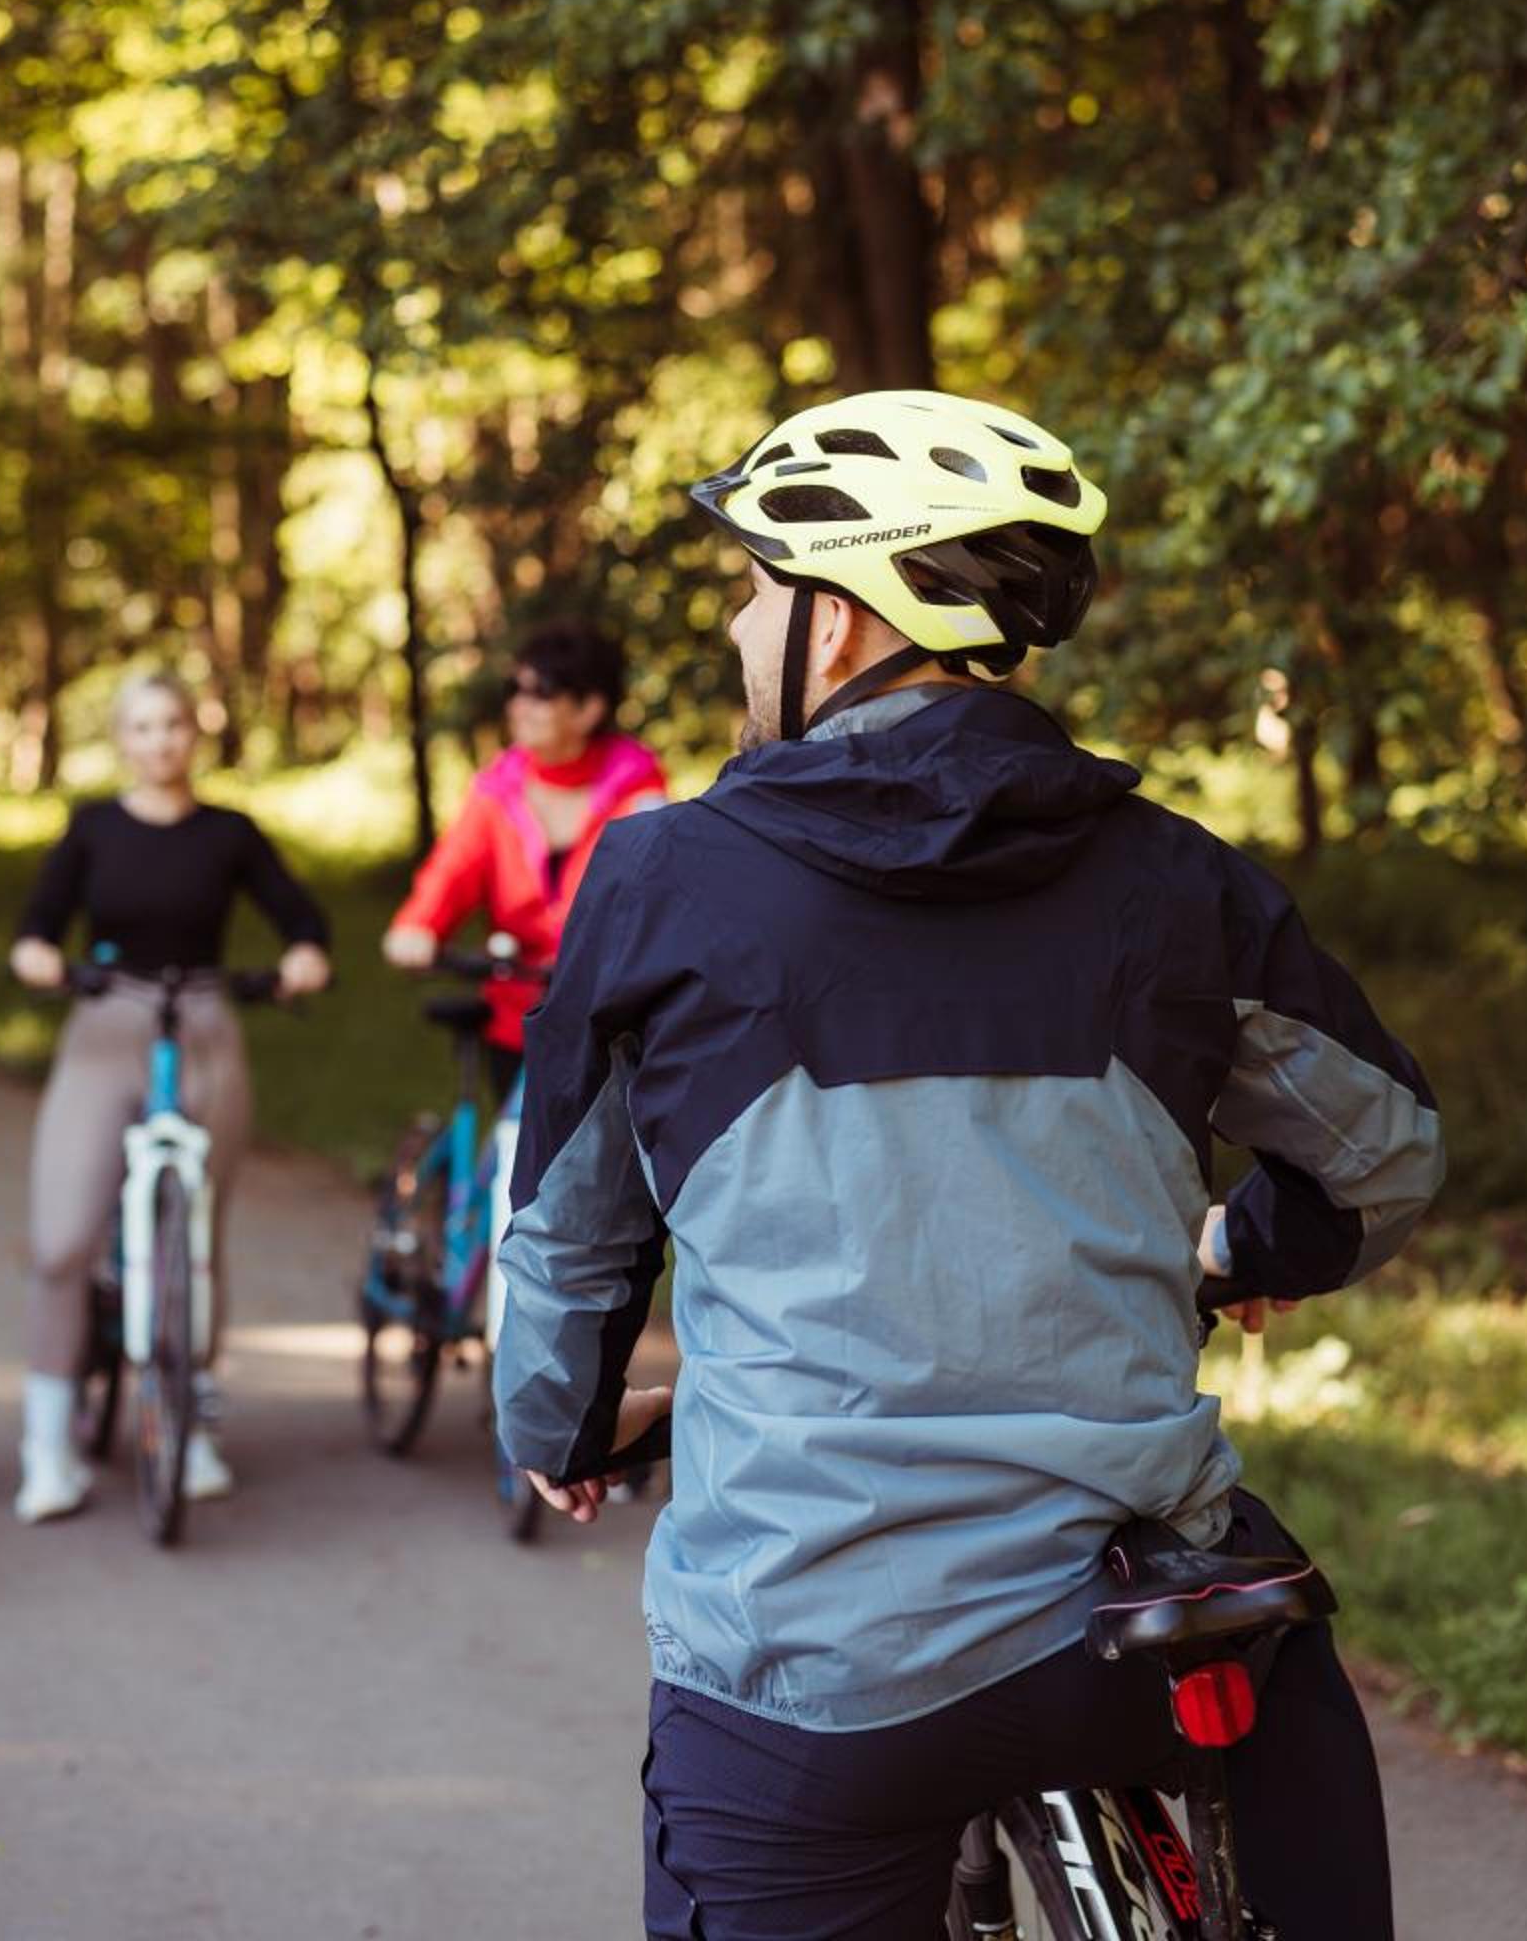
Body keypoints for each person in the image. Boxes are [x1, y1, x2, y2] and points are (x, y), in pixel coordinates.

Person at [492, 390, 1446, 1938]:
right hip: (1133, 1627)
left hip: (818, 1665)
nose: (739, 628)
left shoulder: (666, 881)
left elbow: (568, 1243)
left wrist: (566, 1425)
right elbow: (1382, 1156)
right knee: (1282, 1702)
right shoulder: (1173, 879)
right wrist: (1234, 1249)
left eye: (754, 590)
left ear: (840, 622)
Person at [5, 671, 334, 1523]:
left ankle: (190, 1426)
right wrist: (42, 961)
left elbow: (302, 921)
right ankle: (47, 1448)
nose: (160, 741)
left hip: (204, 1027)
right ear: (122, 739)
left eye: (174, 725)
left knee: (196, 1237)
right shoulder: (93, 827)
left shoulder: (229, 833)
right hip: (106, 1026)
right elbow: (35, 931)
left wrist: (303, 958)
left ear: (197, 733)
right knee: (62, 1242)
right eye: (144, 727)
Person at [377, 622, 666, 1084]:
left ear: (589, 709)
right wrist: (418, 925)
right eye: (515, 690)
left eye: (541, 693)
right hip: (517, 1018)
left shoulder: (639, 792)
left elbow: (658, 896)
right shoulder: (498, 788)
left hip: (611, 1020)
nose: (519, 706)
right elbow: (452, 870)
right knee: (513, 1128)